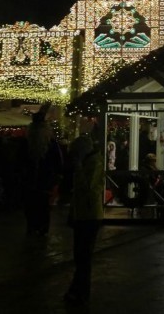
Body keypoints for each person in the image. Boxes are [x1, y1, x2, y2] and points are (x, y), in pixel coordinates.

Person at [64, 122, 105, 307]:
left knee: (83, 255)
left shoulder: (93, 163)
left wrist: (79, 168)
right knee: (80, 255)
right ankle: (77, 289)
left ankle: (80, 291)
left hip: (89, 215)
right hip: (83, 214)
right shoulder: (91, 160)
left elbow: (87, 187)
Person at [23, 111, 63, 236]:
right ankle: (36, 227)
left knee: (40, 205)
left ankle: (38, 227)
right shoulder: (28, 144)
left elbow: (58, 163)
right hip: (34, 181)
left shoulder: (48, 145)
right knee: (36, 205)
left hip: (42, 181)